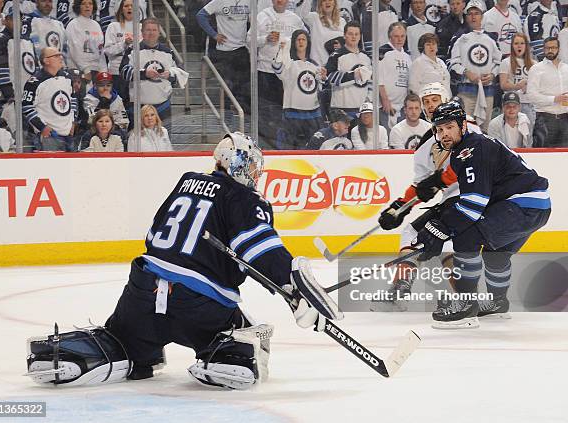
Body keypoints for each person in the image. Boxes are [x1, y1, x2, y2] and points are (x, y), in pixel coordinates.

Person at [25, 132, 340, 389]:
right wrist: (293, 287)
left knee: (121, 338)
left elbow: (153, 237)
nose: (256, 177)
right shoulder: (244, 198)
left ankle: (74, 354)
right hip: (200, 307)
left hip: (142, 292)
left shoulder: (186, 183)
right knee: (246, 333)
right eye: (255, 169)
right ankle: (227, 358)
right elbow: (260, 250)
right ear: (242, 166)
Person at [412, 101, 551, 329]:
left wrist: (438, 230)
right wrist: (435, 181)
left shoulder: (471, 150)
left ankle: (466, 307)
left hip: (520, 206)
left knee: (466, 236)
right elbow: (458, 174)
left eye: (449, 127)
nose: (444, 133)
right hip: (538, 206)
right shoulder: (471, 146)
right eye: (439, 129)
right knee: (497, 253)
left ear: (461, 125)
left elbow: (473, 205)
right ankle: (498, 303)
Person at [372, 82, 481, 313]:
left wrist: (440, 180)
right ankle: (462, 298)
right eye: (427, 102)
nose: (431, 106)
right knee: (420, 234)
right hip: (455, 199)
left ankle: (461, 299)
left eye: (435, 99)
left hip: (474, 196)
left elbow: (474, 159)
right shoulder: (427, 143)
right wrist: (400, 206)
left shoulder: (467, 126)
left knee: (436, 237)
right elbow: (421, 184)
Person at [120, 17, 186, 134]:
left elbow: (180, 75)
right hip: (138, 107)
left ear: (159, 32)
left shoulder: (167, 52)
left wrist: (169, 74)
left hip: (162, 107)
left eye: (154, 30)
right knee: (135, 141)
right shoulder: (132, 50)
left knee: (164, 140)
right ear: (142, 32)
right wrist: (144, 73)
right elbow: (124, 71)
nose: (151, 33)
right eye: (148, 30)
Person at [253, 0, 305, 147]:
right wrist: (265, 39)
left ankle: (284, 143)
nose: (280, 1)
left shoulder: (295, 19)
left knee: (286, 110)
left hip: (288, 73)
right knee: (265, 111)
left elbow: (304, 40)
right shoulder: (262, 16)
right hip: (265, 71)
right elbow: (248, 40)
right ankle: (264, 144)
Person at [449, 0, 501, 131]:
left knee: (485, 128)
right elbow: (452, 63)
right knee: (465, 127)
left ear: (482, 16)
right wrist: (466, 72)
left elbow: (499, 62)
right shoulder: (459, 38)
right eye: (470, 13)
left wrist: (492, 75)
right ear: (466, 17)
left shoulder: (491, 38)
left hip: (487, 92)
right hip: (466, 92)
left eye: (476, 13)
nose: (473, 16)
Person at [273, 29, 326, 149]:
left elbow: (320, 87)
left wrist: (323, 77)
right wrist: (281, 51)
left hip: (313, 115)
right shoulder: (289, 63)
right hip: (292, 114)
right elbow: (277, 69)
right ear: (294, 42)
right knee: (288, 150)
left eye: (303, 39)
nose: (301, 42)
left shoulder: (314, 65)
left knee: (313, 150)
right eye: (298, 39)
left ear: (308, 42)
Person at [196, 0, 250, 112]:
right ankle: (226, 116)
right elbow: (201, 15)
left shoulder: (249, 2)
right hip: (224, 51)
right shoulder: (219, 1)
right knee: (227, 86)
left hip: (243, 49)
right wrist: (214, 35)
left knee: (244, 86)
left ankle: (242, 115)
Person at [22, 47, 77, 151]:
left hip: (68, 134)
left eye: (60, 55)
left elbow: (73, 99)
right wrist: (42, 127)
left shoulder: (67, 77)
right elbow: (26, 107)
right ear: (46, 61)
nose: (61, 57)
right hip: (49, 137)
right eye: (56, 56)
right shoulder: (34, 82)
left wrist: (73, 122)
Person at [526, 36, 568, 147]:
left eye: (553, 48)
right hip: (545, 118)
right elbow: (531, 95)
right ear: (543, 49)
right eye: (547, 48)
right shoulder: (536, 68)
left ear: (558, 49)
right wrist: (554, 99)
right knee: (542, 156)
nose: (550, 51)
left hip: (564, 118)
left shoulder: (566, 68)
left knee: (565, 156)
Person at [325, 21, 372, 119]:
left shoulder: (366, 57)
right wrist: (353, 75)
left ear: (360, 36)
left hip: (362, 110)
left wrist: (369, 100)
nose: (353, 37)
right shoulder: (336, 55)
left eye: (356, 34)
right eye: (350, 34)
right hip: (341, 109)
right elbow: (329, 78)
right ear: (344, 36)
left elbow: (370, 81)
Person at [378, 22, 411, 131]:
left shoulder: (407, 57)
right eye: (396, 36)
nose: (399, 39)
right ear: (389, 36)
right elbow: (378, 78)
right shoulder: (383, 52)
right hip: (386, 105)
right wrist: (385, 100)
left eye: (402, 36)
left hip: (402, 106)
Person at [499, 33, 536, 127]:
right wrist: (517, 86)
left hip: (529, 103)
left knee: (528, 136)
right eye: (516, 43)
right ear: (512, 46)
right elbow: (503, 85)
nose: (519, 46)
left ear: (526, 46)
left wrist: (529, 86)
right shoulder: (505, 62)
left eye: (522, 43)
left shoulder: (535, 64)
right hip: (511, 104)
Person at [66, 0, 106, 83]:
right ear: (78, 6)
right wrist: (86, 69)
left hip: (96, 70)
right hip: (78, 70)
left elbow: (100, 50)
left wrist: (103, 70)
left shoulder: (96, 25)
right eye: (84, 4)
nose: (87, 6)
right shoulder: (73, 24)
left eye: (90, 3)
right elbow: (75, 50)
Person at [301, 0, 346, 67]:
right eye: (324, 0)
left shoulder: (342, 21)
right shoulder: (314, 18)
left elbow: (346, 42)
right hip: (318, 65)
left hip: (336, 66)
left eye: (330, 0)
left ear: (335, 3)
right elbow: (304, 14)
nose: (327, 2)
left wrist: (341, 46)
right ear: (320, 4)